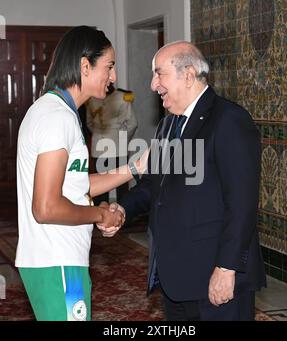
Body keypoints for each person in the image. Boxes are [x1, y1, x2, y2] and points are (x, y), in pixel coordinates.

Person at [120, 41, 266, 321]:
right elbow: (155, 184)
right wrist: (123, 208)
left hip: (214, 275)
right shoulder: (168, 124)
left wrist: (226, 269)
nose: (153, 85)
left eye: (159, 74)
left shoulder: (229, 120)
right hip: (176, 278)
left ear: (187, 75)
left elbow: (242, 203)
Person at [15, 26, 146, 321]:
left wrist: (136, 167)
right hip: (56, 260)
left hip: (59, 259)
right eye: (109, 67)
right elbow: (47, 207)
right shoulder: (55, 117)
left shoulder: (58, 113)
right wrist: (101, 215)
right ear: (84, 65)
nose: (113, 77)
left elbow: (74, 185)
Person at [86, 84, 137, 204]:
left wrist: (123, 140)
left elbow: (132, 123)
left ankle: (121, 215)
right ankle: (103, 216)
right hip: (107, 148)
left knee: (117, 184)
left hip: (110, 147)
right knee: (103, 185)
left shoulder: (123, 96)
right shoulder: (92, 98)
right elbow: (89, 123)